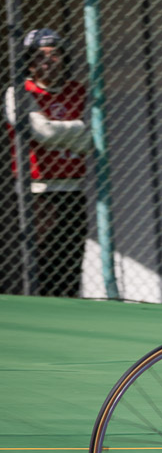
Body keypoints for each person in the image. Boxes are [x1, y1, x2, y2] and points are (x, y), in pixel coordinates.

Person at [2, 28, 91, 296]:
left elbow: (91, 140)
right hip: (37, 193)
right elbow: (43, 132)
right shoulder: (18, 92)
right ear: (29, 62)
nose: (48, 62)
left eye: (54, 55)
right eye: (40, 56)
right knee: (39, 266)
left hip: (73, 191)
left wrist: (59, 134)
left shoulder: (78, 91)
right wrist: (75, 130)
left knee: (70, 266)